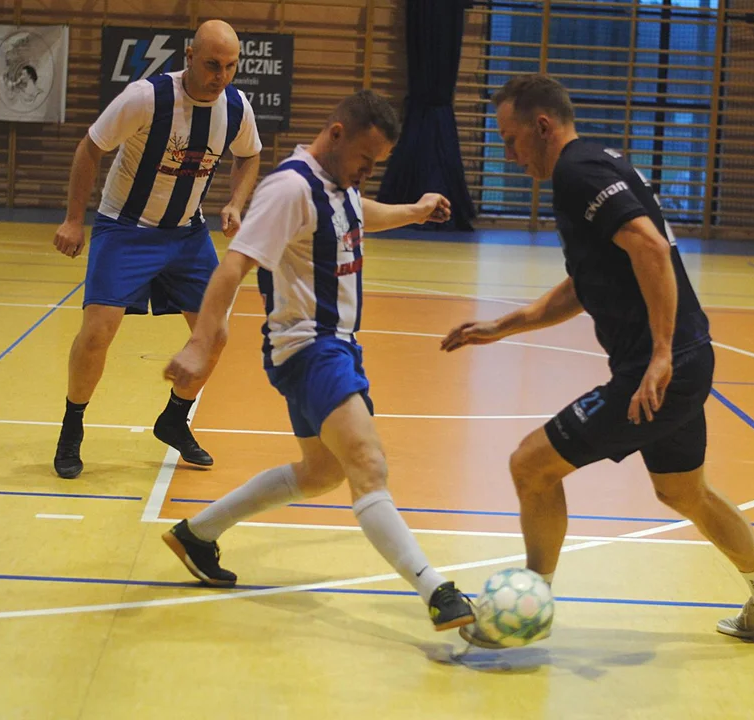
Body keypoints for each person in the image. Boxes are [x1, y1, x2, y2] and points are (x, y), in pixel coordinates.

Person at [441, 74, 754, 645]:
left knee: (530, 466)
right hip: (684, 361)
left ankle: (529, 608)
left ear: (543, 126)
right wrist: (505, 325)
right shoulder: (597, 162)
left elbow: (650, 246)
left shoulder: (575, 172)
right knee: (684, 492)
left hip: (659, 371)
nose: (508, 155)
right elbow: (590, 280)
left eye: (511, 140)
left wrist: (660, 356)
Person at [160, 89, 475, 631]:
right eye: (364, 160)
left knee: (322, 472)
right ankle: (437, 589)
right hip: (311, 348)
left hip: (334, 348)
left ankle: (197, 534)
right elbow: (233, 267)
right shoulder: (289, 189)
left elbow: (355, 213)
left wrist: (414, 211)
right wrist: (198, 343)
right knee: (368, 465)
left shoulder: (337, 185)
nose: (366, 173)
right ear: (336, 134)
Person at [51, 20, 262, 479]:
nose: (220, 75)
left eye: (229, 66)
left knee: (216, 335)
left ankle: (173, 418)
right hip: (124, 228)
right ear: (189, 56)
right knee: (97, 333)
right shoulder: (145, 98)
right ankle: (72, 426)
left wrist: (235, 202)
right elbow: (90, 148)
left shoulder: (236, 106)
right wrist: (73, 219)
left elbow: (249, 155)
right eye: (211, 64)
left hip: (186, 235)